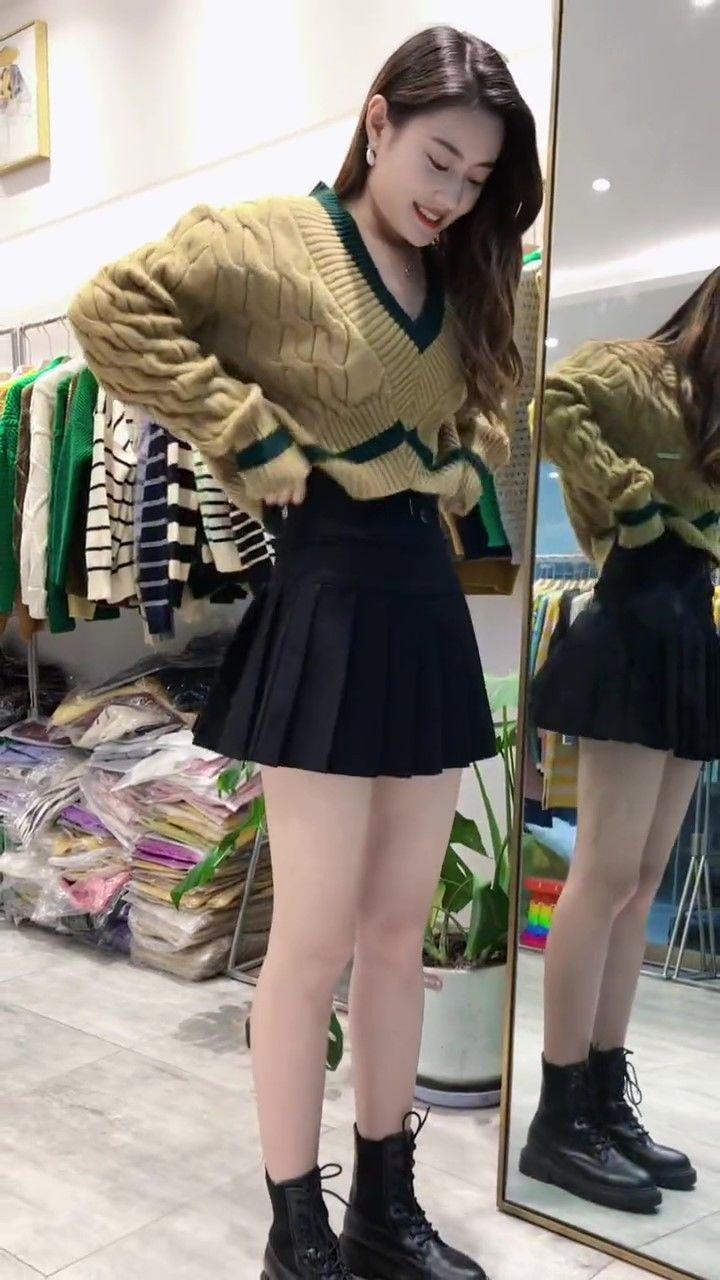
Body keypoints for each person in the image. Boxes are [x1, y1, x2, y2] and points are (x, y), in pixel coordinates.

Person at [69, 24, 542, 1280]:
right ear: (378, 120)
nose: (453, 198)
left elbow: (479, 410)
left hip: (424, 603)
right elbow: (112, 309)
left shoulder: (463, 278)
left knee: (398, 933)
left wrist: (459, 457)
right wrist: (241, 425)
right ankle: (297, 1233)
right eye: (438, 161)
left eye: (477, 179)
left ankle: (386, 1208)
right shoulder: (275, 241)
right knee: (315, 937)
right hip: (326, 594)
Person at [523, 266, 720, 1214]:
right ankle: (558, 1117)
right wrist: (633, 503)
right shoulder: (642, 370)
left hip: (686, 631)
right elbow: (554, 402)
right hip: (635, 627)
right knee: (603, 879)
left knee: (639, 884)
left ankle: (602, 1096)